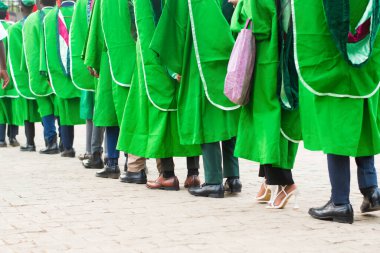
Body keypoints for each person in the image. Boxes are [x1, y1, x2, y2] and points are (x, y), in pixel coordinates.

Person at [292, 0, 380, 224]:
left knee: (336, 131)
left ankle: (340, 202)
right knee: (360, 128)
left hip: (333, 67)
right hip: (364, 69)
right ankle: (372, 191)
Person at [150, 0, 241, 198]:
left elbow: (175, 25)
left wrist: (174, 67)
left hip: (199, 60)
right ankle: (233, 178)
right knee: (226, 116)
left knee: (207, 120)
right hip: (228, 56)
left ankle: (214, 181)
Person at [117, 0, 202, 190]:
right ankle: (193, 174)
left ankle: (168, 175)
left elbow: (150, 24)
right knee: (186, 114)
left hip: (157, 57)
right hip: (183, 51)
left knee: (160, 116)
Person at [230, 0, 301, 208]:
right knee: (275, 118)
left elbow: (258, 23)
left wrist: (241, 3)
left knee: (267, 119)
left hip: (267, 58)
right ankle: (268, 181)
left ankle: (284, 183)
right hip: (286, 54)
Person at [84, 0, 143, 180]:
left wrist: (92, 58)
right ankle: (128, 163)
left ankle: (116, 164)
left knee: (115, 115)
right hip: (131, 58)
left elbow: (96, 25)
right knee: (122, 114)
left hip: (113, 60)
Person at [42, 0, 85, 158]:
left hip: (58, 73)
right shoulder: (82, 10)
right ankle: (95, 150)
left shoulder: (49, 17)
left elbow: (43, 48)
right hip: (83, 71)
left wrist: (44, 70)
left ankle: (67, 147)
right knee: (92, 111)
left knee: (64, 111)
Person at [70, 0, 106, 167]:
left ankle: (94, 153)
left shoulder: (82, 5)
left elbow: (78, 37)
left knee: (96, 111)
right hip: (113, 61)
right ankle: (132, 160)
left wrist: (88, 61)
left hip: (92, 63)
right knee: (118, 111)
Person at [22, 0, 59, 154]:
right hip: (57, 70)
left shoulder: (29, 20)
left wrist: (25, 68)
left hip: (37, 70)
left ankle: (51, 143)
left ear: (38, 2)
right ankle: (66, 143)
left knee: (45, 107)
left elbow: (26, 48)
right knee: (60, 107)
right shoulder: (58, 14)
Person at [7, 0, 41, 152]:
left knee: (28, 111)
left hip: (24, 73)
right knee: (50, 109)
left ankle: (30, 143)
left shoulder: (15, 29)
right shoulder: (39, 22)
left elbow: (13, 56)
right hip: (39, 72)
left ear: (20, 6)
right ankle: (58, 143)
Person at [0, 1, 21, 148]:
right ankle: (13, 137)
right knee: (13, 105)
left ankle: (1, 139)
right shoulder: (13, 27)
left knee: (1, 107)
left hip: (2, 71)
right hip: (13, 73)